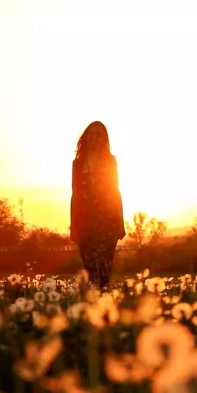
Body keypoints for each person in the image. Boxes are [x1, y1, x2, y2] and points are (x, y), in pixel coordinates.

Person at [70, 121, 126, 289]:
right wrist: (73, 225)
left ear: (104, 139)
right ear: (86, 137)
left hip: (107, 219)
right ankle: (93, 303)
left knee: (104, 265)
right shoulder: (77, 163)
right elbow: (75, 194)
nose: (94, 137)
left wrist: (120, 223)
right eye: (91, 134)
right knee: (89, 263)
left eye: (98, 134)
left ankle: (104, 304)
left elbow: (115, 190)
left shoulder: (110, 160)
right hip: (85, 221)